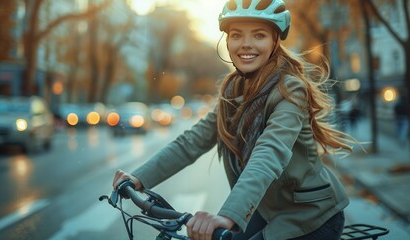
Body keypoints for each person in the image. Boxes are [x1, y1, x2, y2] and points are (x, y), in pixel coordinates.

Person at [112, 0, 357, 239]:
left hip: (310, 216)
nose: (245, 45)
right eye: (237, 35)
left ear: (275, 41)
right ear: (227, 40)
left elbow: (269, 154)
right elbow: (191, 142)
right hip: (267, 209)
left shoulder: (290, 91)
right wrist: (138, 178)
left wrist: (228, 215)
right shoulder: (232, 93)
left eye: (259, 35)